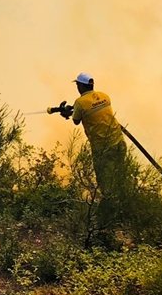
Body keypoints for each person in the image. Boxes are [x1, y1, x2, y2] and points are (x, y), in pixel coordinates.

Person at [53, 72, 129, 237]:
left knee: (106, 183)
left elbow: (75, 119)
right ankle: (126, 209)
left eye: (77, 85)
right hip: (119, 144)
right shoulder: (104, 96)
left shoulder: (80, 102)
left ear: (81, 86)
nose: (77, 87)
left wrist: (65, 112)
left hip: (103, 149)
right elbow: (94, 110)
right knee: (120, 177)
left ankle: (107, 221)